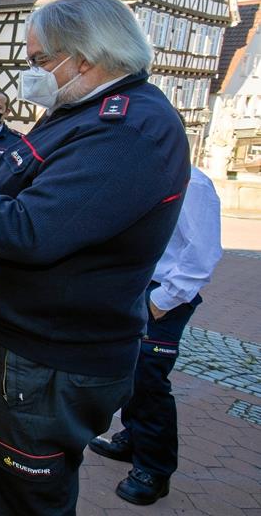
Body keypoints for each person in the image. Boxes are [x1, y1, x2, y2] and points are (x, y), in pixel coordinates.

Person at [0, 0, 190, 515]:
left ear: (85, 56)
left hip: (49, 361)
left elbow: (33, 230)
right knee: (7, 490)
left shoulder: (128, 129)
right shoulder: (86, 110)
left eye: (39, 61)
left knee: (25, 501)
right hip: (30, 346)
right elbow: (56, 198)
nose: (32, 74)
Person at [88, 164, 223, 506]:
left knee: (149, 378)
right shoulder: (145, 173)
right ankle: (133, 439)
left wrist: (164, 300)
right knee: (130, 371)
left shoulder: (193, 184)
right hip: (138, 285)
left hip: (163, 294)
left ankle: (155, 470)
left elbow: (202, 254)